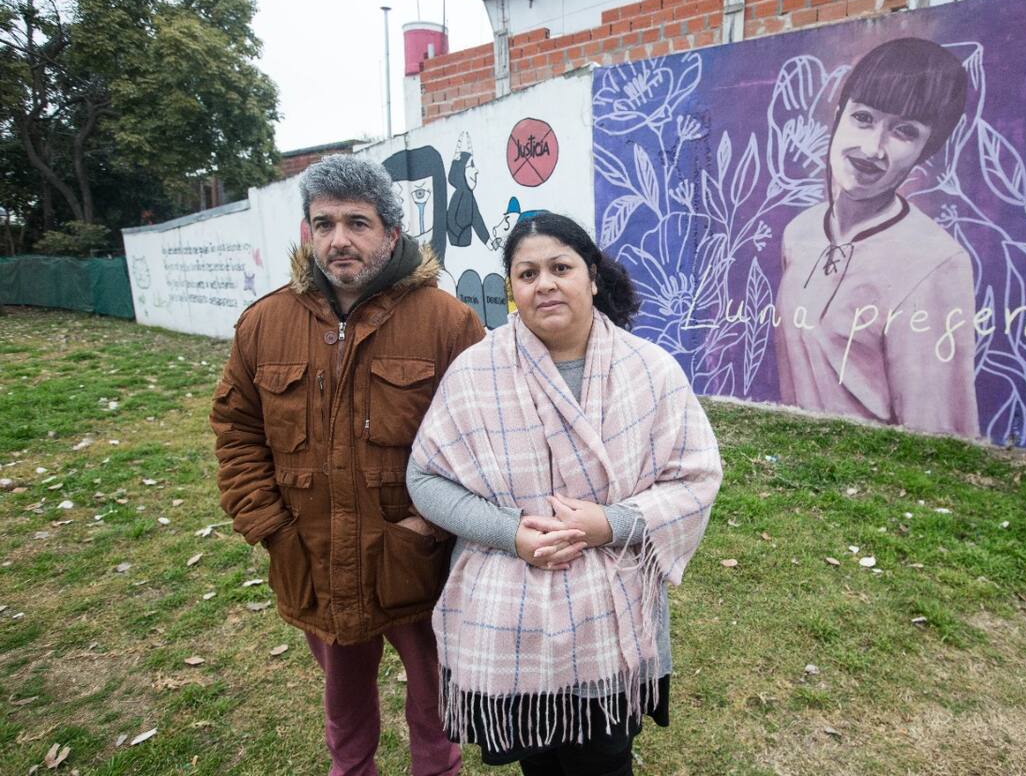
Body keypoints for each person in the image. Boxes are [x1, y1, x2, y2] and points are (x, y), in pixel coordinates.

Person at [406, 212, 723, 774]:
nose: (544, 283)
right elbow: (426, 479)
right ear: (513, 290)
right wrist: (511, 534)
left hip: (613, 614)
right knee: (542, 762)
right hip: (513, 620)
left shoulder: (651, 371)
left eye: (560, 267)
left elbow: (695, 477)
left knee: (608, 758)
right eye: (527, 274)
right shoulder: (476, 372)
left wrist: (611, 523)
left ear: (592, 277)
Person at [210, 155, 484, 776]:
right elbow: (237, 430)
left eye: (357, 223)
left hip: (416, 562)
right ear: (307, 233)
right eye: (324, 222)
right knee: (343, 704)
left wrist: (432, 528)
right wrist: (272, 528)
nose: (339, 239)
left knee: (436, 700)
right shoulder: (264, 324)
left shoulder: (449, 323)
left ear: (390, 233)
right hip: (313, 553)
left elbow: (486, 439)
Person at [774, 37, 980, 437]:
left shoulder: (935, 263)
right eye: (863, 118)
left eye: (904, 131)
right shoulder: (799, 233)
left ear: (926, 149)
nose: (873, 149)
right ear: (838, 114)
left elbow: (937, 441)